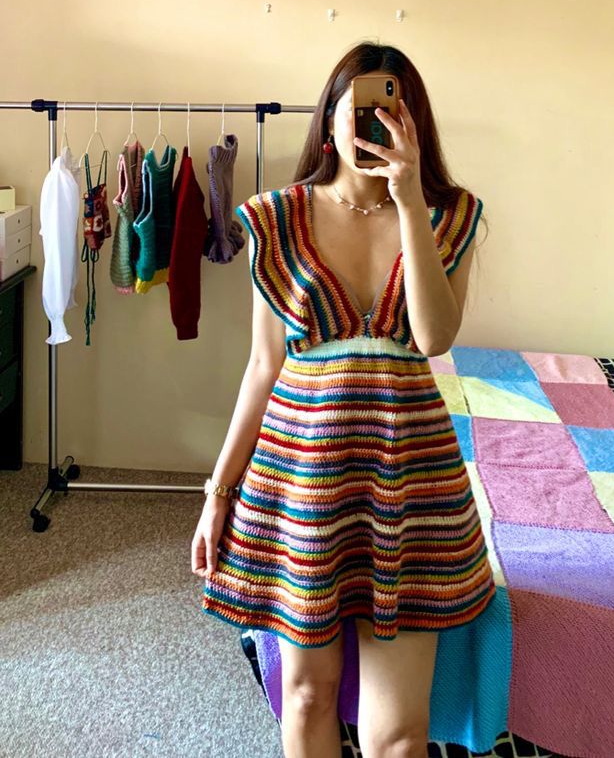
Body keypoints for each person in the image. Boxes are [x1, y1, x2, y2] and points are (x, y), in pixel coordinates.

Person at [191, 41, 494, 758]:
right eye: (354, 110)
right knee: (305, 698)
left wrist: (410, 199)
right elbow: (262, 366)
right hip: (305, 482)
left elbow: (433, 335)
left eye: (390, 111)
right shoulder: (274, 217)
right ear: (328, 120)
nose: (369, 126)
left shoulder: (450, 216)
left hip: (409, 485)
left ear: (413, 125)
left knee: (397, 735)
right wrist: (217, 492)